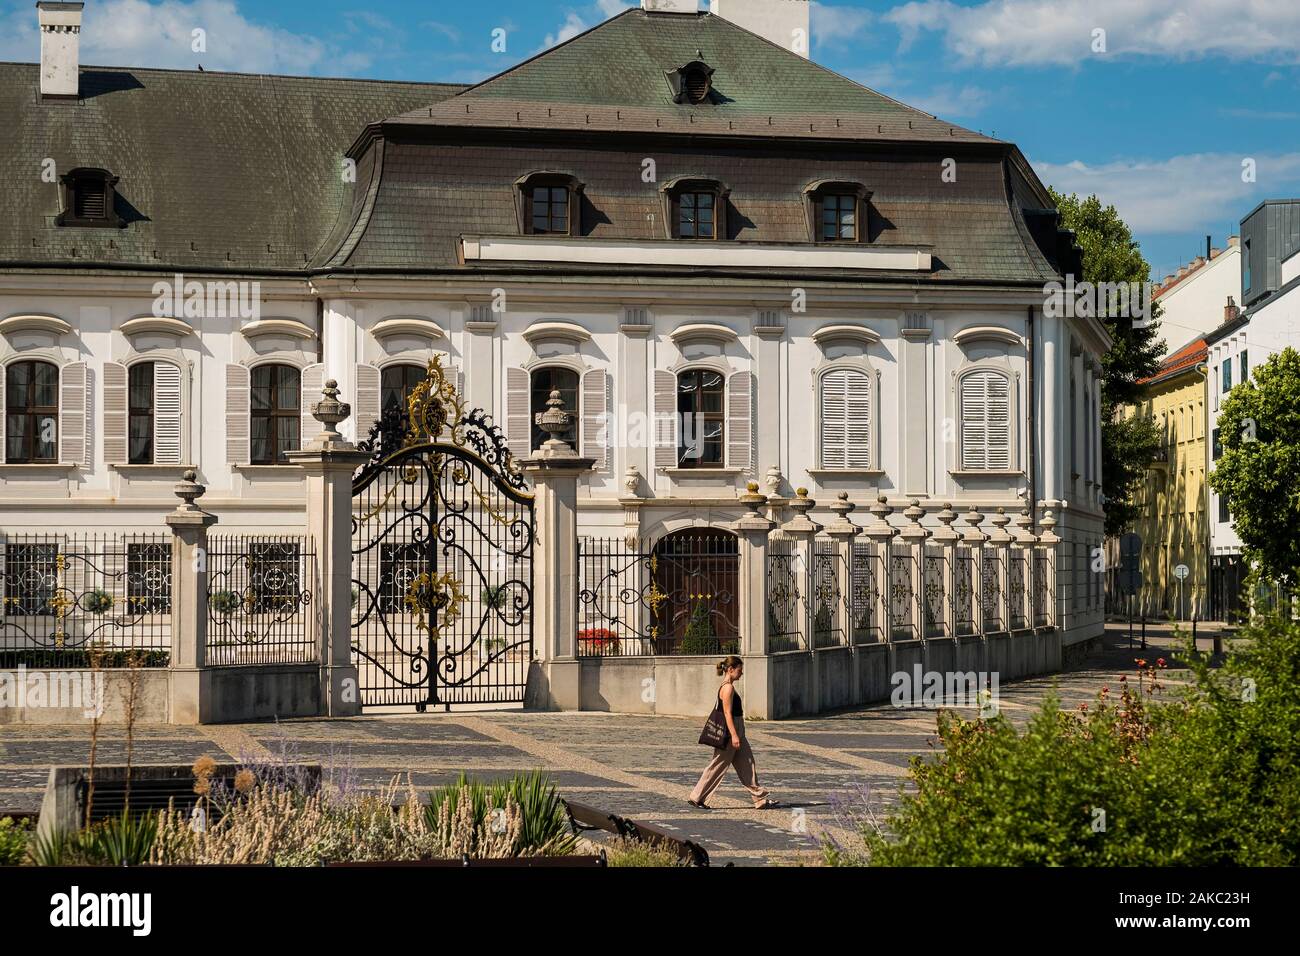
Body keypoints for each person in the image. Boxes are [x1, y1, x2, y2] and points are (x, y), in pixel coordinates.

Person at [687, 655, 775, 810]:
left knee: (747, 764)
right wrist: (734, 735)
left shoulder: (727, 686)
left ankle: (759, 799)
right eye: (740, 670)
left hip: (737, 730)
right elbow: (727, 713)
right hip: (730, 732)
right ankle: (696, 796)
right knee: (718, 765)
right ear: (730, 669)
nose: (741, 673)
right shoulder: (728, 687)